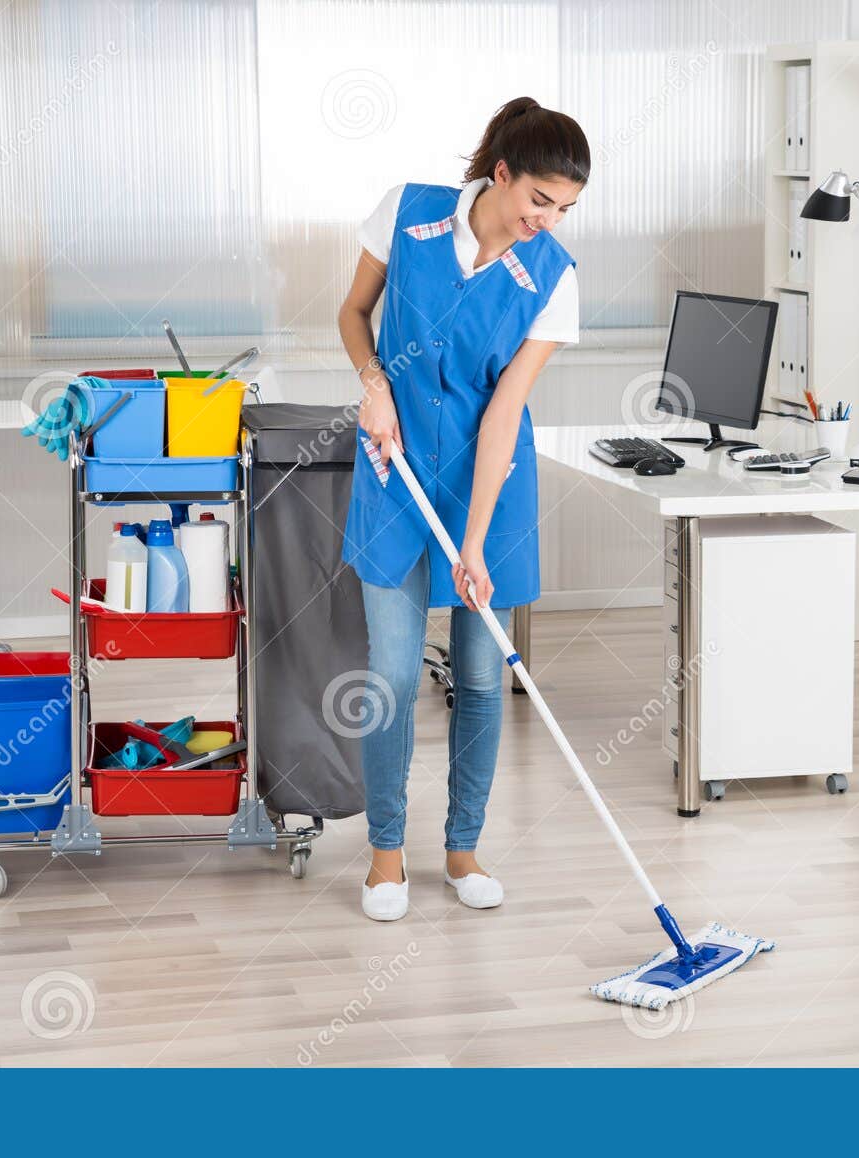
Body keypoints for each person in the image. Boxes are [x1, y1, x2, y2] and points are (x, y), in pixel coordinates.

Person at [338, 96, 588, 921]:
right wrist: (374, 385)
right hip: (393, 468)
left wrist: (475, 541)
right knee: (396, 673)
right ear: (502, 175)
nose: (546, 222)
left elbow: (505, 411)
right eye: (539, 201)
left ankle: (463, 848)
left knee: (482, 678)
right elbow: (352, 313)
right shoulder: (405, 213)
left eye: (564, 210)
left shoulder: (553, 280)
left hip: (492, 484)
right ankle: (385, 857)